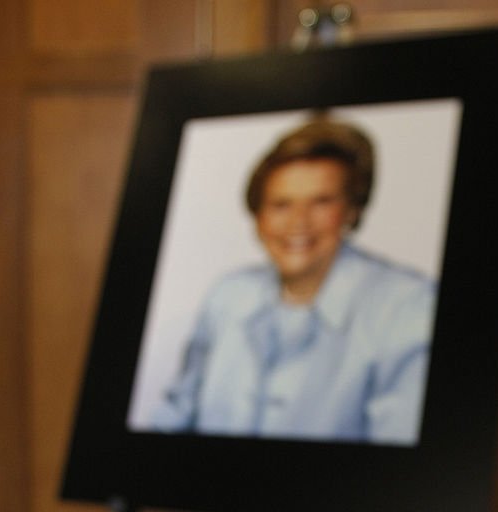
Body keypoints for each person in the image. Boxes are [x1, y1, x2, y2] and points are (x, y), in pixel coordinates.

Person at [151, 118, 437, 444]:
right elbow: (176, 415)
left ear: (352, 210)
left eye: (321, 202)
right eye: (281, 205)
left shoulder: (409, 306)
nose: (298, 222)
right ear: (258, 217)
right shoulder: (227, 295)